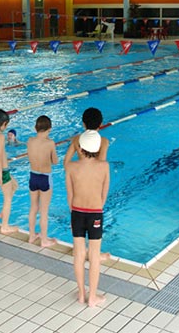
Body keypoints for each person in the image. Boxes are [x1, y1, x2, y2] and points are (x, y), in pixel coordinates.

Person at [65, 130, 110, 308]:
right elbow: (104, 193)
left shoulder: (71, 167)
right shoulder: (104, 166)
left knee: (79, 255)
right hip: (95, 212)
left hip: (76, 212)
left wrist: (75, 212)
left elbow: (70, 195)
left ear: (80, 148)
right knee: (94, 255)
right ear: (98, 148)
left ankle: (81, 294)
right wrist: (97, 208)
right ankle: (93, 297)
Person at [26, 115, 58, 247]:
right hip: (45, 177)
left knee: (33, 207)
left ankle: (32, 236)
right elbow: (55, 161)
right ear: (49, 129)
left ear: (36, 128)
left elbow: (30, 157)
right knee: (44, 210)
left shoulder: (30, 141)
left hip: (33, 176)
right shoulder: (50, 143)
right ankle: (44, 240)